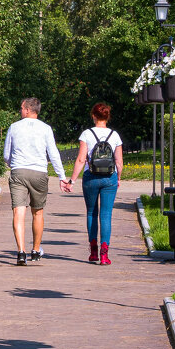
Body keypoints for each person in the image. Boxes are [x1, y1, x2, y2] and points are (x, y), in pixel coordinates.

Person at [3, 97, 67, 266]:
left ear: (27, 110)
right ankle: (36, 250)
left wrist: (15, 165)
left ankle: (21, 252)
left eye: (21, 108)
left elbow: (6, 155)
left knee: (19, 212)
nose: (20, 110)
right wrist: (62, 177)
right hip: (39, 172)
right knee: (37, 212)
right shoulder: (46, 129)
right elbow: (53, 153)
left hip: (18, 172)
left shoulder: (14, 127)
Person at [61, 102, 124, 265]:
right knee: (106, 215)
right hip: (110, 177)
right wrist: (118, 178)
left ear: (93, 116)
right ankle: (105, 254)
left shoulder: (86, 134)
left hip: (91, 177)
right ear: (107, 117)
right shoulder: (115, 135)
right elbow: (119, 161)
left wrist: (72, 180)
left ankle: (93, 252)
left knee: (91, 213)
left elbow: (81, 159)